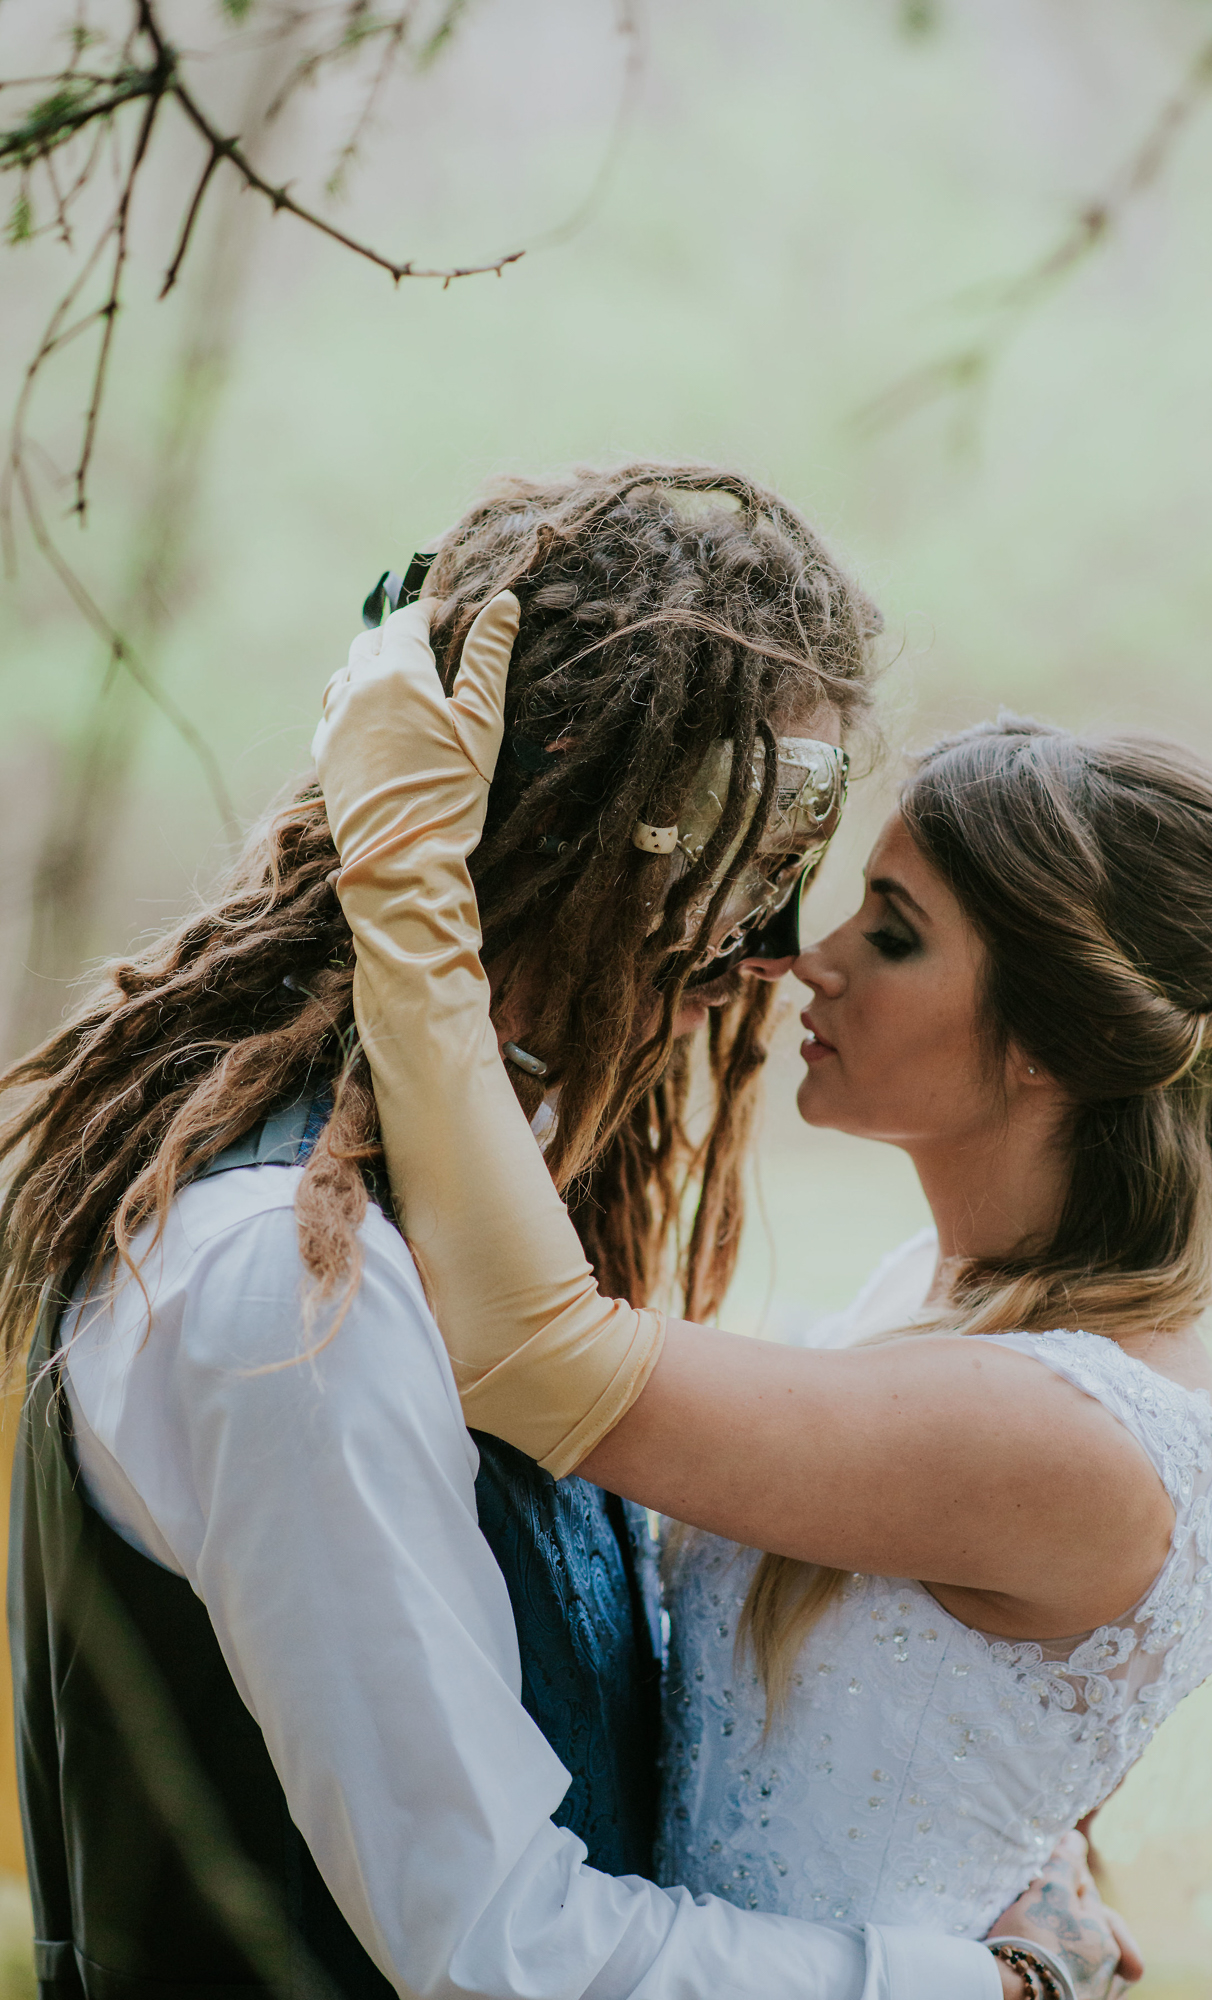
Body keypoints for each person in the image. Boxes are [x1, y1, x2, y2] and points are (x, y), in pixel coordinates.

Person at [0, 465, 1114, 2000]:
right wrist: (982, 1989)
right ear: (571, 810)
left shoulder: (464, 1219)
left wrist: (970, 1808)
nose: (764, 961)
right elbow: (498, 1952)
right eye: (745, 856)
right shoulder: (290, 1281)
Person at [313, 586, 1212, 1989]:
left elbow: (527, 1348)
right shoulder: (948, 1293)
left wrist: (407, 872)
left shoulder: (1059, 1424)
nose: (811, 959)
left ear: (1050, 1041)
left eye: (895, 932)